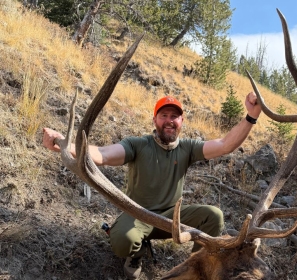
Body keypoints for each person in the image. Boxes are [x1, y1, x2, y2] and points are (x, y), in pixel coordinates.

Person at [42, 93, 261, 279]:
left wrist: (251, 116)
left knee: (214, 216)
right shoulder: (137, 144)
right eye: (163, 115)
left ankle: (196, 264)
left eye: (174, 116)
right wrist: (66, 144)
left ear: (181, 121)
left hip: (170, 219)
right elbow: (103, 154)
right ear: (154, 119)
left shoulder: (187, 148)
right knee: (123, 241)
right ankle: (136, 253)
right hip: (137, 215)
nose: (169, 120)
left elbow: (225, 145)